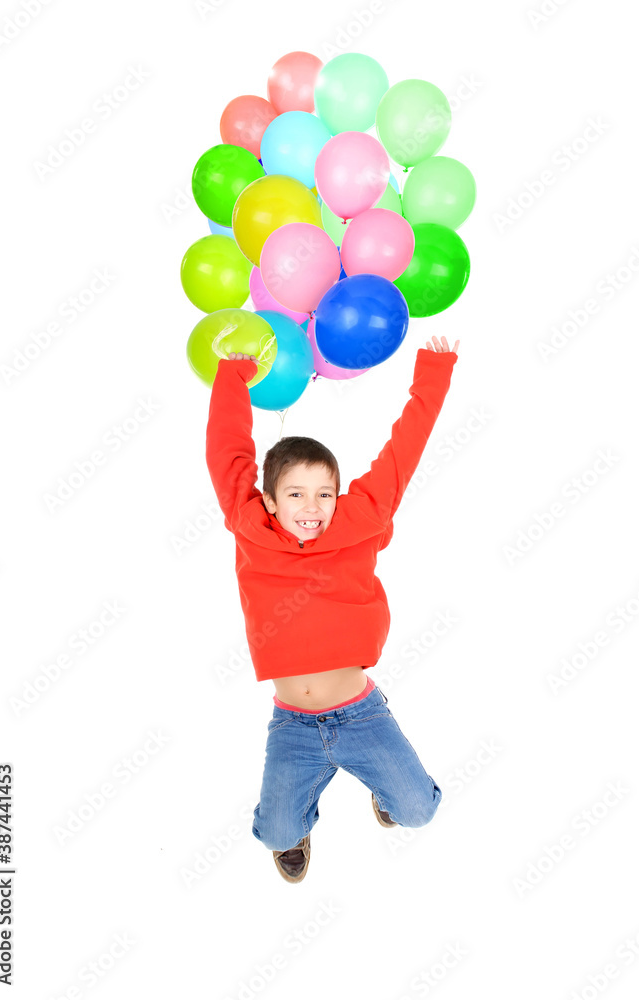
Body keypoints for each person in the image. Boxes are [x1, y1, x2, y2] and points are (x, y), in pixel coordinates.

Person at [206, 334, 459, 883]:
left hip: (359, 714)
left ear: (338, 496)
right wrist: (232, 376)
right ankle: (294, 825)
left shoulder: (360, 521)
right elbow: (227, 452)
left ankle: (386, 791)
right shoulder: (250, 528)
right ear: (270, 500)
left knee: (418, 811)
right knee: (273, 834)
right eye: (295, 494)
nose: (312, 506)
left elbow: (405, 447)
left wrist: (435, 370)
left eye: (324, 493)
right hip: (293, 723)